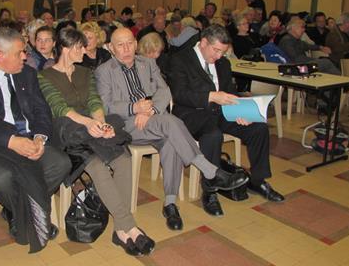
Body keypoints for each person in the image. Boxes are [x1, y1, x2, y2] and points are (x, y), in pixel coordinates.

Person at [95, 28, 248, 230]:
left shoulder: (147, 63)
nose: (127, 49)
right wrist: (134, 108)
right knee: (169, 122)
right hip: (127, 125)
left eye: (130, 43)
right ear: (111, 48)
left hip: (152, 118)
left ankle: (170, 204)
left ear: (136, 43)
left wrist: (150, 111)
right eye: (120, 45)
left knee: (171, 141)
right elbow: (105, 106)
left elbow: (164, 91)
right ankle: (210, 170)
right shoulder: (104, 71)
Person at [38, 28, 155, 256]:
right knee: (99, 167)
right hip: (70, 135)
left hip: (92, 129)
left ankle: (121, 230)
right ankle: (129, 226)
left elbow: (94, 100)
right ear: (66, 48)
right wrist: (89, 125)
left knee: (123, 158)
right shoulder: (44, 76)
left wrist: (100, 123)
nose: (86, 50)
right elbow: (59, 107)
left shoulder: (85, 73)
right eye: (81, 47)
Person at [0, 27, 71, 253]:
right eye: (20, 53)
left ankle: (17, 210)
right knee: (2, 177)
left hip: (29, 137)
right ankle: (27, 213)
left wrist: (39, 138)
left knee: (61, 164)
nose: (25, 57)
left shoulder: (26, 73)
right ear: (0, 56)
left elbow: (41, 110)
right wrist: (11, 140)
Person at [169, 24, 285, 217]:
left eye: (223, 52)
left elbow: (229, 93)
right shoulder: (180, 59)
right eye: (216, 51)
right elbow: (180, 94)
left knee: (259, 129)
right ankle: (210, 189)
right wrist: (211, 96)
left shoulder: (223, 64)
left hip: (221, 112)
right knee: (212, 135)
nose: (219, 56)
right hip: (191, 115)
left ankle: (257, 181)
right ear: (204, 42)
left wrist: (242, 111)